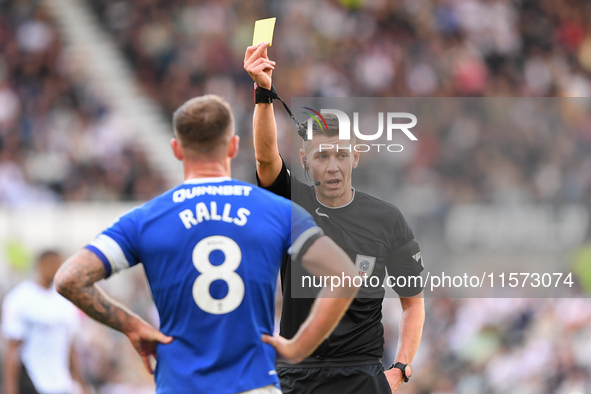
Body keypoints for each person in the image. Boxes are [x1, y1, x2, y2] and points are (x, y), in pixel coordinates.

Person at [54, 94, 359, 394]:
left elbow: (70, 279)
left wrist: (133, 327)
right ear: (233, 146)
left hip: (180, 385)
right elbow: (345, 275)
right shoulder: (276, 210)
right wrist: (298, 348)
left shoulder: (146, 219)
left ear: (176, 149)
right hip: (253, 383)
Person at [244, 42, 426, 393]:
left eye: (341, 154)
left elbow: (413, 303)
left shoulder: (387, 219)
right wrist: (263, 94)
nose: (332, 166)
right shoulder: (291, 202)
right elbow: (266, 159)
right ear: (305, 159)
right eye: (322, 155)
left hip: (361, 375)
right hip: (297, 374)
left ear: (355, 157)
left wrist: (401, 368)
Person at [1, 250, 88, 394]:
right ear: (40, 266)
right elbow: (12, 349)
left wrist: (81, 383)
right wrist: (10, 389)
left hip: (61, 384)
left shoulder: (67, 300)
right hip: (32, 382)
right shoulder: (20, 298)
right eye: (51, 265)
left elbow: (70, 346)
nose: (56, 269)